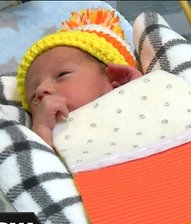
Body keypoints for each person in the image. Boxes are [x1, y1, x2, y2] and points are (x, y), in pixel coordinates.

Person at [16, 8, 142, 147]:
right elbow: (39, 165)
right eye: (33, 97)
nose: (41, 89)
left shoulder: (131, 109)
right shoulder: (50, 136)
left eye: (62, 74)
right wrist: (42, 131)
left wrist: (139, 91)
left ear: (114, 80)